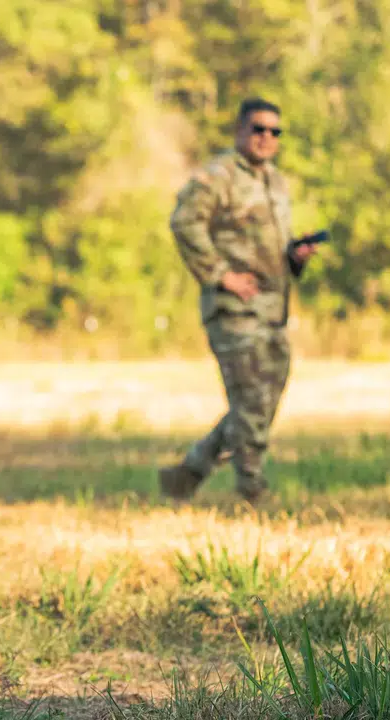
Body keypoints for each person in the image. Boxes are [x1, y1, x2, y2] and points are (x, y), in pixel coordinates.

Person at [159, 97, 320, 504]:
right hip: (233, 311)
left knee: (264, 398)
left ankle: (190, 470)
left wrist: (294, 258)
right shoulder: (217, 177)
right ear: (240, 131)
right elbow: (184, 223)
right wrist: (220, 275)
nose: (266, 137)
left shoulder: (276, 182)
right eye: (258, 129)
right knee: (250, 400)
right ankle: (252, 490)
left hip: (272, 310)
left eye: (274, 131)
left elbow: (271, 246)